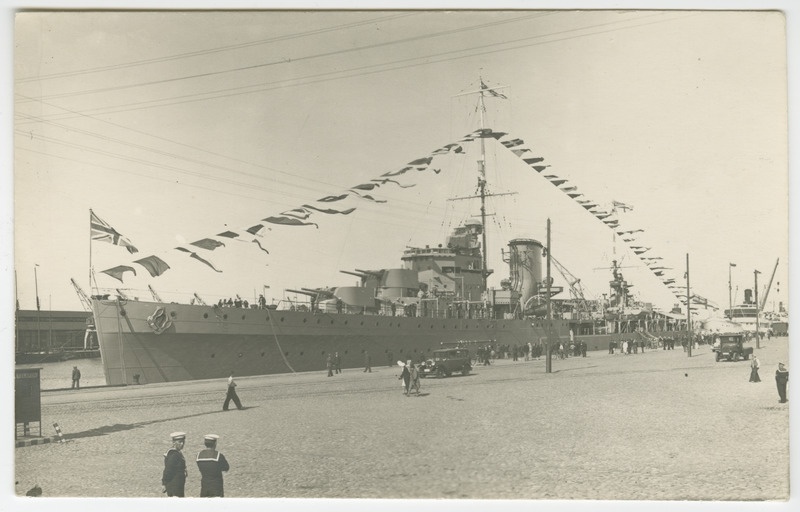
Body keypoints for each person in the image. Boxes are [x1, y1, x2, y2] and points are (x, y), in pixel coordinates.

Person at [162, 432, 187, 497]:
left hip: (178, 484)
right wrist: (164, 483)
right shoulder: (174, 455)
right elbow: (168, 470)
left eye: (183, 442)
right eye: (180, 442)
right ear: (174, 443)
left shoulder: (177, 452)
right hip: (174, 485)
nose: (182, 444)